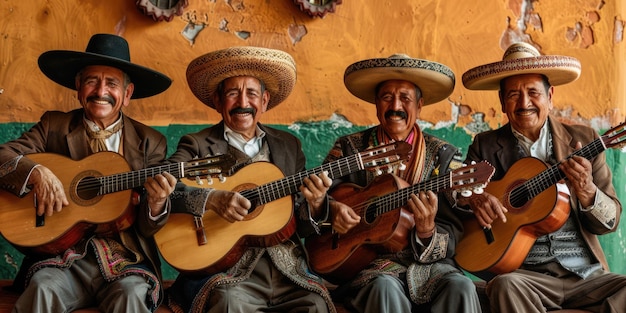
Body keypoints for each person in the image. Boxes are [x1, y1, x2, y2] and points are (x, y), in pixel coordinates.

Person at [0, 33, 178, 313]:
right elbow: (4, 156)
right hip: (61, 256)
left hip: (125, 259)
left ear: (127, 94)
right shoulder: (54, 125)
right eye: (92, 80)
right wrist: (36, 171)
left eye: (112, 83)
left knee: (132, 295)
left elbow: (146, 226)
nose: (100, 91)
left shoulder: (150, 141)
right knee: (43, 288)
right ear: (79, 86)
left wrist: (156, 203)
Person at [165, 46, 336, 313]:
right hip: (228, 269)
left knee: (315, 304)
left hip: (286, 271)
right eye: (233, 93)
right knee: (229, 303)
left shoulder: (289, 146)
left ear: (265, 101)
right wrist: (212, 199)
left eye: (252, 93)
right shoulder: (197, 144)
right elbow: (165, 185)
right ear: (219, 100)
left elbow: (301, 226)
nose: (243, 102)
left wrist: (315, 204)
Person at [460, 41, 626, 312]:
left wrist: (587, 190)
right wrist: (475, 198)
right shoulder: (486, 146)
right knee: (504, 286)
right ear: (502, 102)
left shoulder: (584, 141)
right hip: (526, 276)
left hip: (584, 276)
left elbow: (610, 222)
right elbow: (459, 192)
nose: (524, 103)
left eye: (533, 92)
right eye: (513, 94)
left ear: (550, 96)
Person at [313, 54, 482, 312]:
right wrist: (331, 208)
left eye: (405, 98)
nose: (395, 106)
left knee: (462, 287)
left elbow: (455, 231)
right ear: (376, 104)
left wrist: (426, 231)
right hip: (369, 267)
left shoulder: (444, 155)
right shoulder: (349, 148)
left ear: (420, 104)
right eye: (386, 97)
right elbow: (315, 197)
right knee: (385, 287)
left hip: (429, 268)